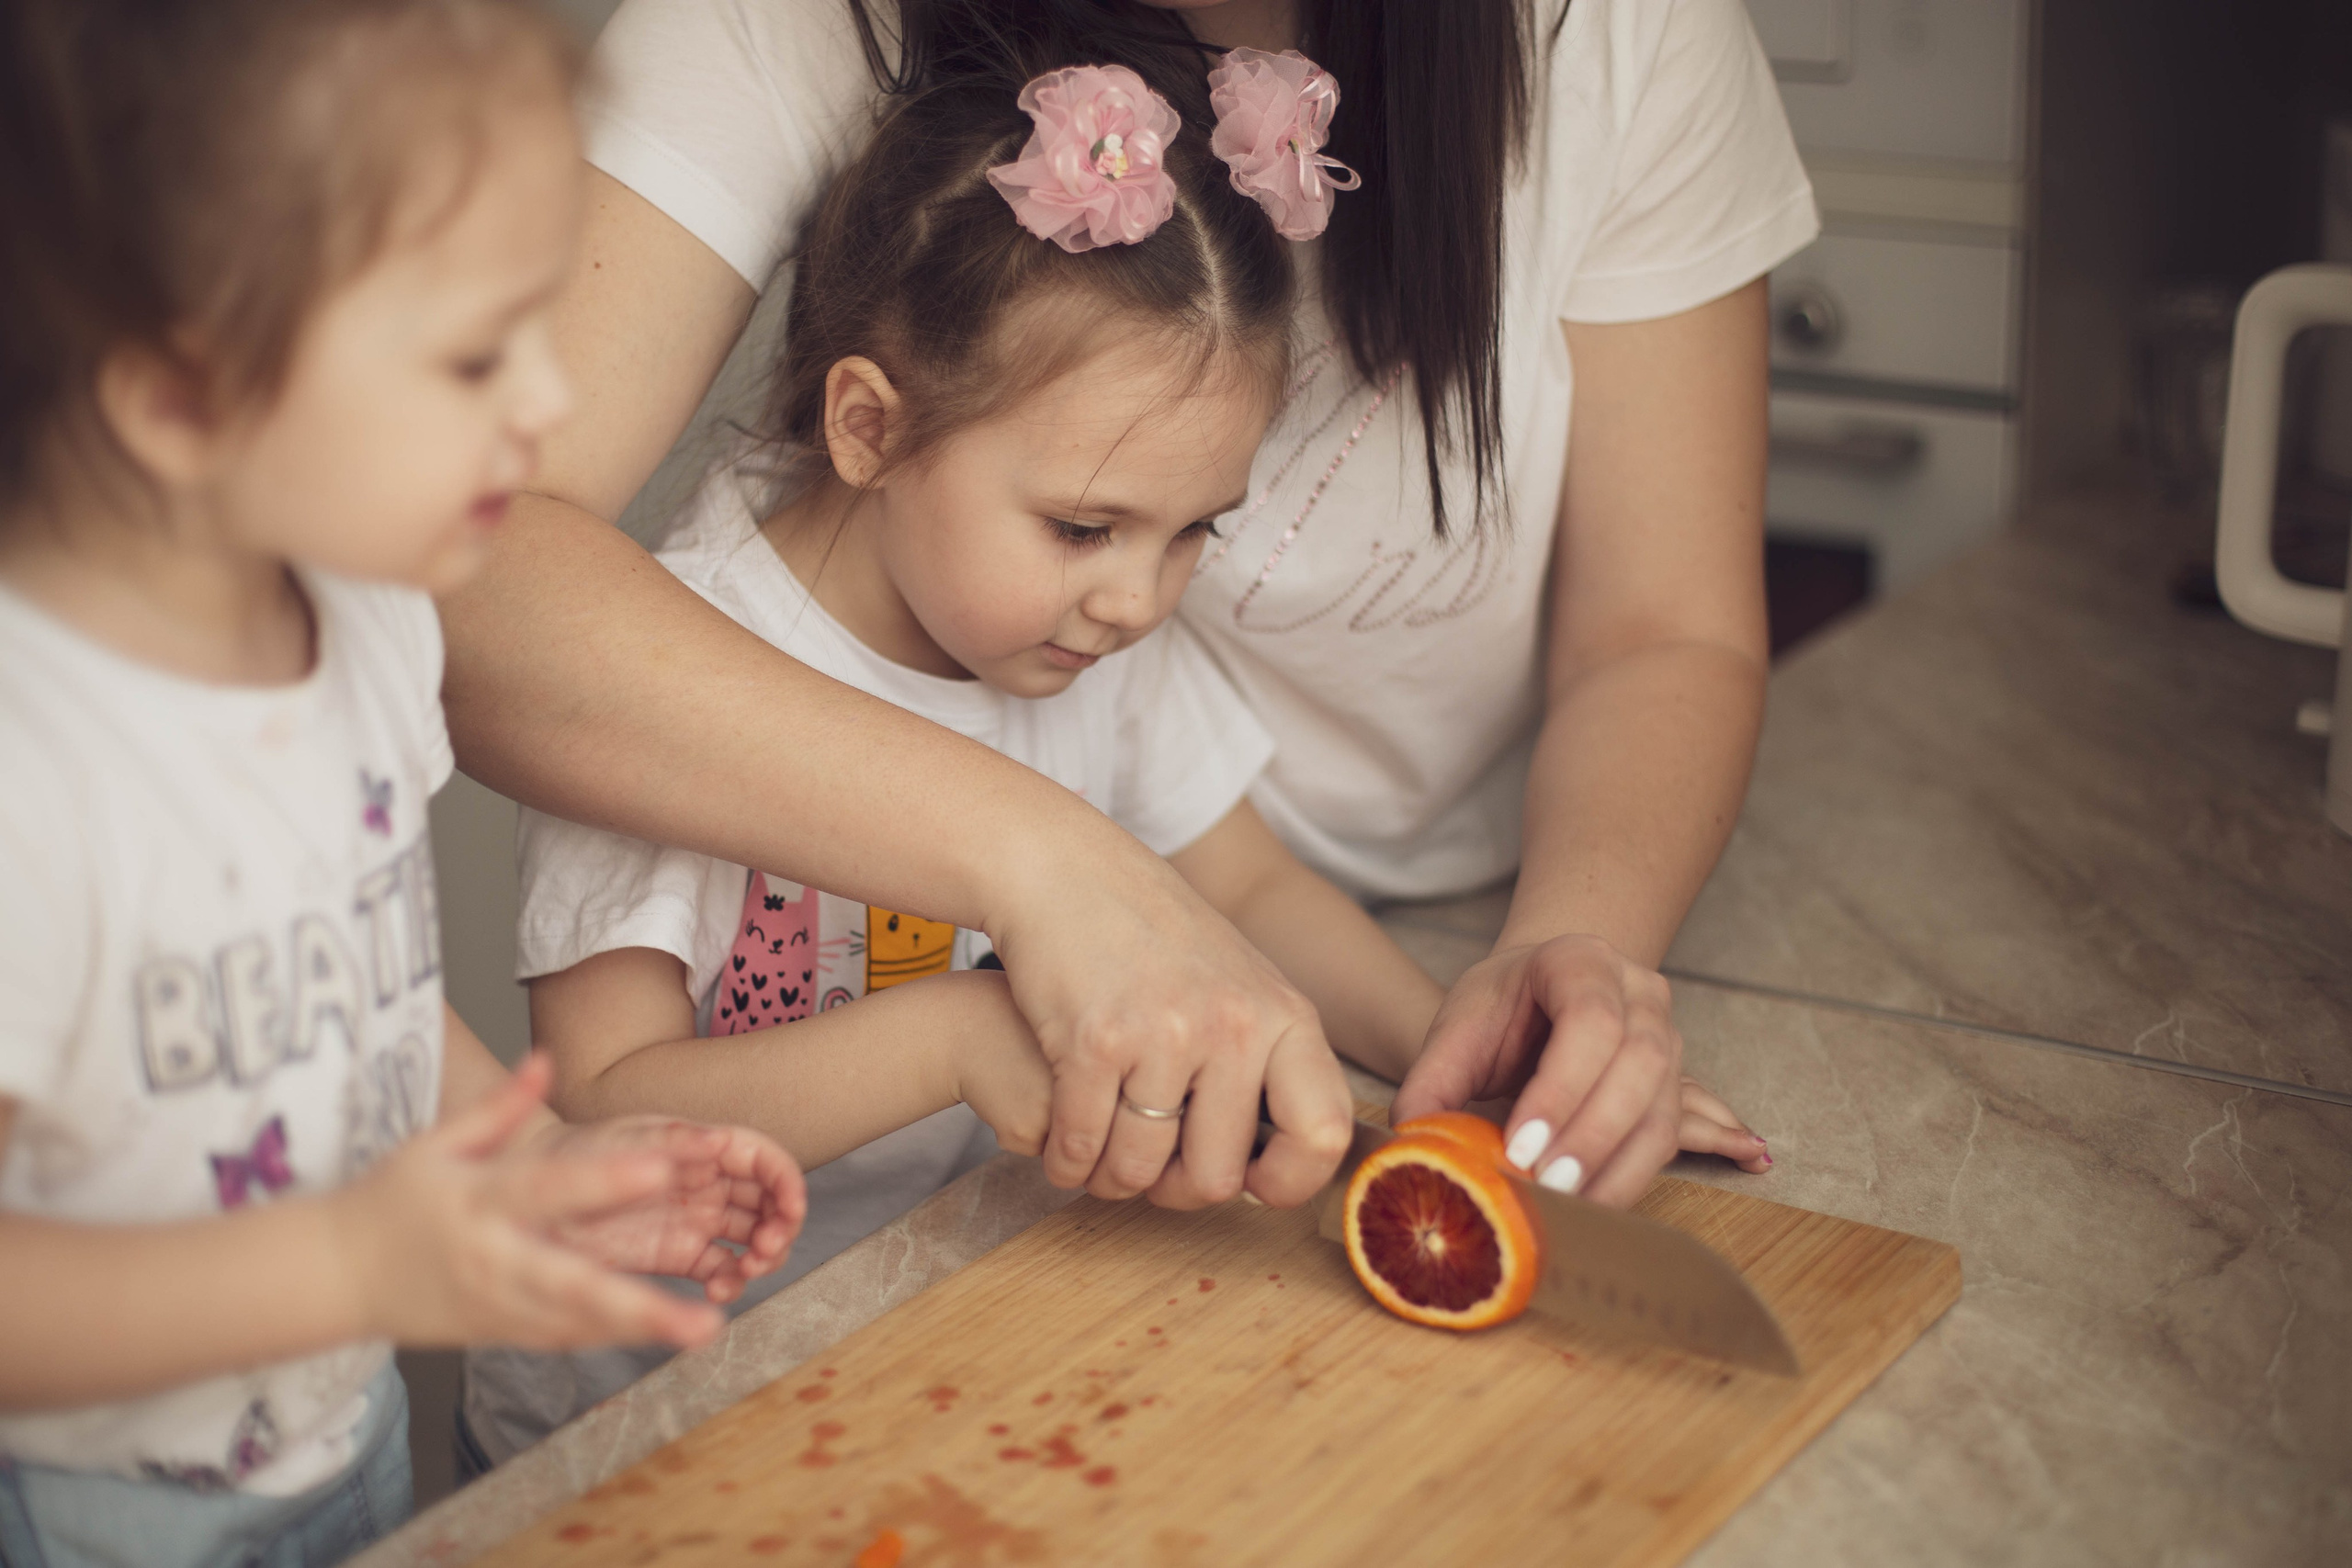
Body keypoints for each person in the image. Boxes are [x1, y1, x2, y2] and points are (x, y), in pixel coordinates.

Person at [460, 44, 1774, 1466]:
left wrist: (1452, 1052)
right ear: (868, 427)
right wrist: (956, 1039)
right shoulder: (664, 671)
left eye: (1196, 528)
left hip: (899, 1364)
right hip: (635, 1429)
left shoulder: (1074, 642)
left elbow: (1251, 896)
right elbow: (598, 1113)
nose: (1140, 600)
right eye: (1085, 529)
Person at [0, 4, 806, 1562]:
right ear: (178, 396)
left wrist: (533, 1165)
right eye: (468, 351)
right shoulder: (37, 774)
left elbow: (361, 983)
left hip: (344, 1432)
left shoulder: (362, 616)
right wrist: (353, 1272)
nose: (547, 402)